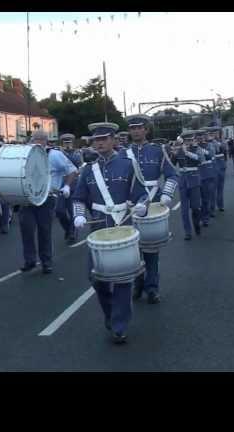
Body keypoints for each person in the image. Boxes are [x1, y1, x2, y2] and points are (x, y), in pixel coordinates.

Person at [72, 122, 149, 344]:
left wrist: (142, 205)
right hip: (98, 231)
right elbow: (78, 198)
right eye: (96, 140)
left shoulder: (127, 165)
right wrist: (78, 214)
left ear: (114, 140)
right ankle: (111, 313)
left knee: (123, 277)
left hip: (123, 227)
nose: (99, 143)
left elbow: (141, 195)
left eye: (104, 139)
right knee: (95, 277)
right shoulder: (88, 169)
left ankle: (119, 325)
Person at [119, 114, 177, 304]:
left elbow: (172, 175)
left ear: (146, 130)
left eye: (139, 127)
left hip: (153, 204)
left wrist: (167, 194)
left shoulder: (158, 150)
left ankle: (152, 288)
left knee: (151, 249)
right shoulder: (122, 153)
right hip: (131, 206)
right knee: (133, 250)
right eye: (133, 128)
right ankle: (138, 284)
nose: (135, 131)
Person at [19, 130, 77, 274]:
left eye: (39, 140)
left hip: (47, 197)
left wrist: (67, 186)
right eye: (34, 140)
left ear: (46, 141)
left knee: (44, 230)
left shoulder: (54, 154)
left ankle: (46, 262)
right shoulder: (25, 154)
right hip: (27, 197)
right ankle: (30, 260)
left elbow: (72, 170)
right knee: (27, 230)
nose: (36, 142)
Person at [171, 132, 203, 240]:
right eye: (186, 141)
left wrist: (187, 153)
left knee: (195, 207)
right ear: (183, 141)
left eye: (190, 140)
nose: (188, 142)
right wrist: (173, 154)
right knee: (184, 209)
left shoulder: (196, 149)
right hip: (183, 181)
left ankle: (197, 224)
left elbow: (200, 159)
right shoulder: (179, 150)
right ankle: (187, 232)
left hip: (194, 180)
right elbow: (171, 165)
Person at [55, 133, 82, 245]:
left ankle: (72, 233)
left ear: (72, 142)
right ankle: (67, 229)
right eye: (65, 142)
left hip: (74, 185)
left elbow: (77, 164)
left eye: (69, 142)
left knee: (72, 211)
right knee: (59, 211)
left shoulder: (77, 153)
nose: (67, 144)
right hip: (61, 185)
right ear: (62, 143)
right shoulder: (57, 153)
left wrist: (68, 152)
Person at [196, 130, 215, 227]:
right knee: (196, 200)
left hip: (206, 174)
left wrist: (199, 150)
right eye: (198, 137)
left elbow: (211, 155)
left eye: (201, 136)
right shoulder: (193, 146)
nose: (199, 138)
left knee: (205, 198)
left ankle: (205, 218)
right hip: (195, 175)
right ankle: (199, 217)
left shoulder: (209, 145)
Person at [208, 127, 227, 213]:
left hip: (221, 165)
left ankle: (220, 205)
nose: (216, 134)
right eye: (213, 133)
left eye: (217, 132)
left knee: (220, 187)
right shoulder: (209, 142)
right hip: (213, 166)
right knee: (212, 189)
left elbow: (224, 148)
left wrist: (221, 140)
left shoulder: (221, 141)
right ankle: (212, 208)